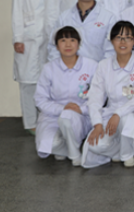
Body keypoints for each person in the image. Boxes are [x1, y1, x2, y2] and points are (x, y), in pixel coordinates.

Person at [81, 21, 134, 168]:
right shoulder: (104, 65)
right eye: (118, 38)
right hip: (110, 116)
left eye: (128, 38)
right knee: (94, 145)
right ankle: (120, 151)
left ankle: (128, 155)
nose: (123, 42)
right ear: (112, 40)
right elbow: (95, 97)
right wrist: (97, 123)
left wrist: (118, 113)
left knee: (128, 119)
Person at [34, 26, 98, 166]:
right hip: (52, 116)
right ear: (57, 46)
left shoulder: (91, 66)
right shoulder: (48, 68)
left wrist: (81, 109)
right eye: (63, 40)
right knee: (48, 146)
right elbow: (40, 99)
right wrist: (62, 108)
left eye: (72, 40)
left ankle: (74, 154)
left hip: (81, 116)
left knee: (67, 117)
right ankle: (68, 145)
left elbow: (99, 97)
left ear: (79, 44)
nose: (68, 44)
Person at [12, 0, 55, 134]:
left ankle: (46, 120)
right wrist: (18, 38)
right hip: (28, 37)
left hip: (49, 38)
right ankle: (31, 123)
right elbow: (17, 9)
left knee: (47, 81)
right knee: (28, 82)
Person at [48, 0, 116, 62]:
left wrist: (101, 69)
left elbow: (111, 51)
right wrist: (60, 68)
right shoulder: (63, 18)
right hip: (67, 69)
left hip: (97, 69)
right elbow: (53, 48)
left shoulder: (109, 18)